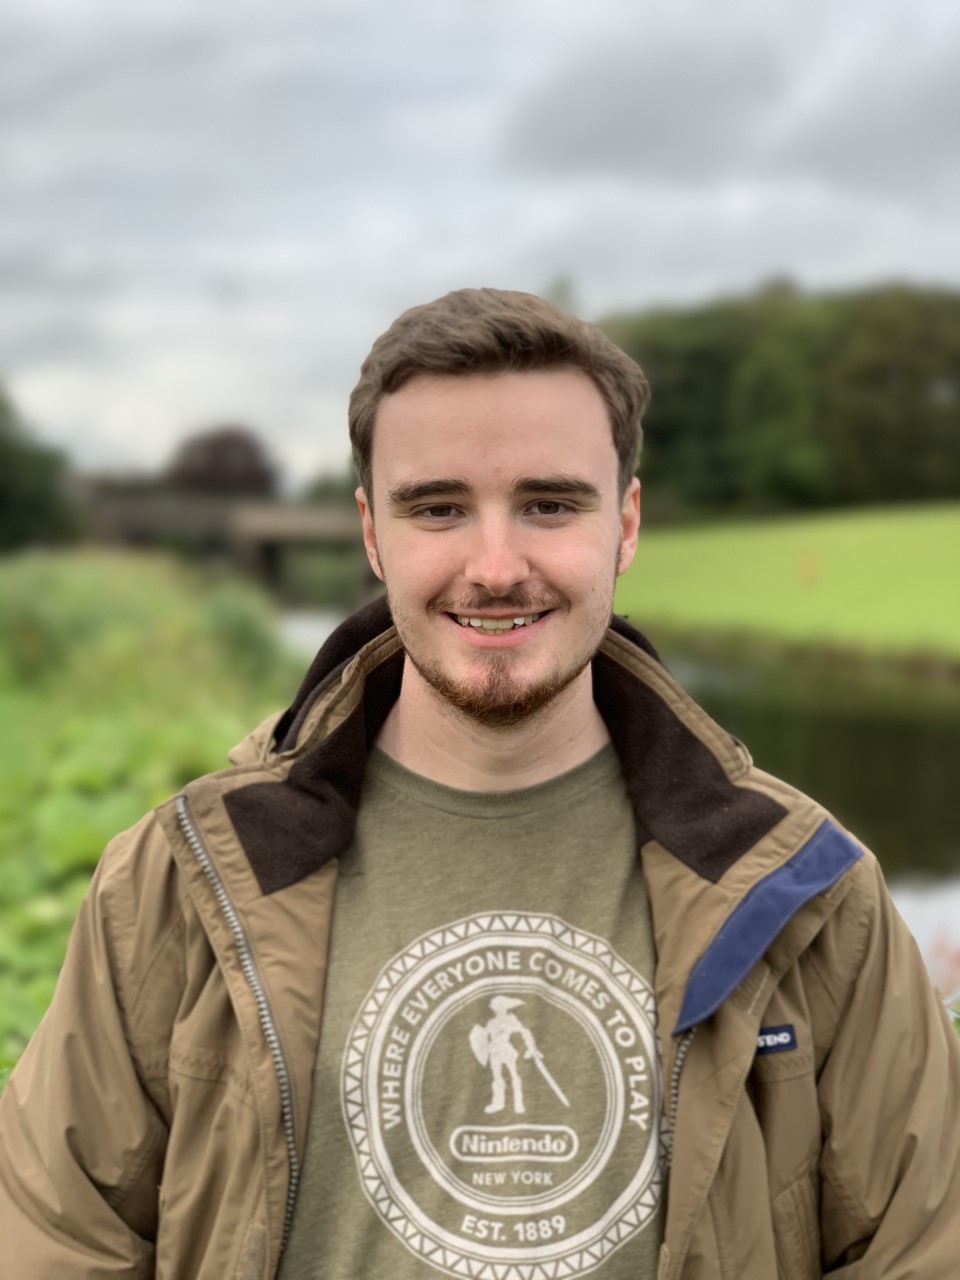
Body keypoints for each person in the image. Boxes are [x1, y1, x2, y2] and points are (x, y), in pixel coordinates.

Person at [1, 288, 958, 1279]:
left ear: (625, 524)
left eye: (549, 503)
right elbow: (51, 1244)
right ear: (373, 534)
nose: (495, 566)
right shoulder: (175, 885)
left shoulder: (810, 897)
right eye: (439, 508)